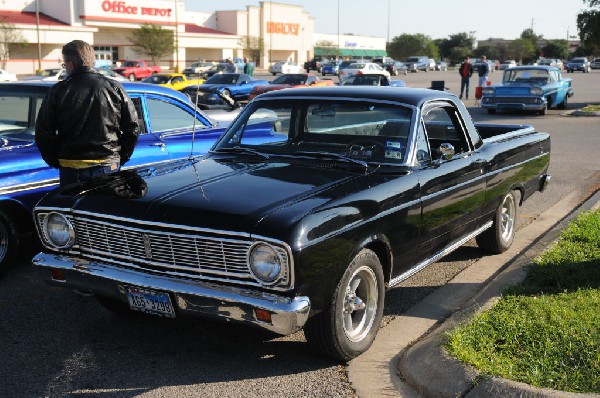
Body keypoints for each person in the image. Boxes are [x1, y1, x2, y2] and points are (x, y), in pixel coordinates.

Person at [35, 40, 139, 186]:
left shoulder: (58, 90)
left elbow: (43, 132)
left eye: (64, 65)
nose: (65, 68)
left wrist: (55, 161)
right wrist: (120, 157)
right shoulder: (114, 87)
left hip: (71, 168)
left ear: (70, 64)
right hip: (108, 166)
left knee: (73, 208)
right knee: (102, 208)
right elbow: (133, 127)